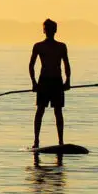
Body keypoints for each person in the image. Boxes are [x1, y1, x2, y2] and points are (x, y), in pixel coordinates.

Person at [29, 19, 71, 149]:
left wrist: (67, 81)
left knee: (58, 112)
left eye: (50, 29)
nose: (48, 31)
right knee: (40, 110)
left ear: (55, 30)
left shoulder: (61, 46)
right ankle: (36, 141)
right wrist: (34, 83)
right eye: (47, 29)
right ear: (44, 30)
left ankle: (61, 141)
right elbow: (31, 65)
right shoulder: (38, 46)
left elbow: (66, 65)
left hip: (57, 82)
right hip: (44, 82)